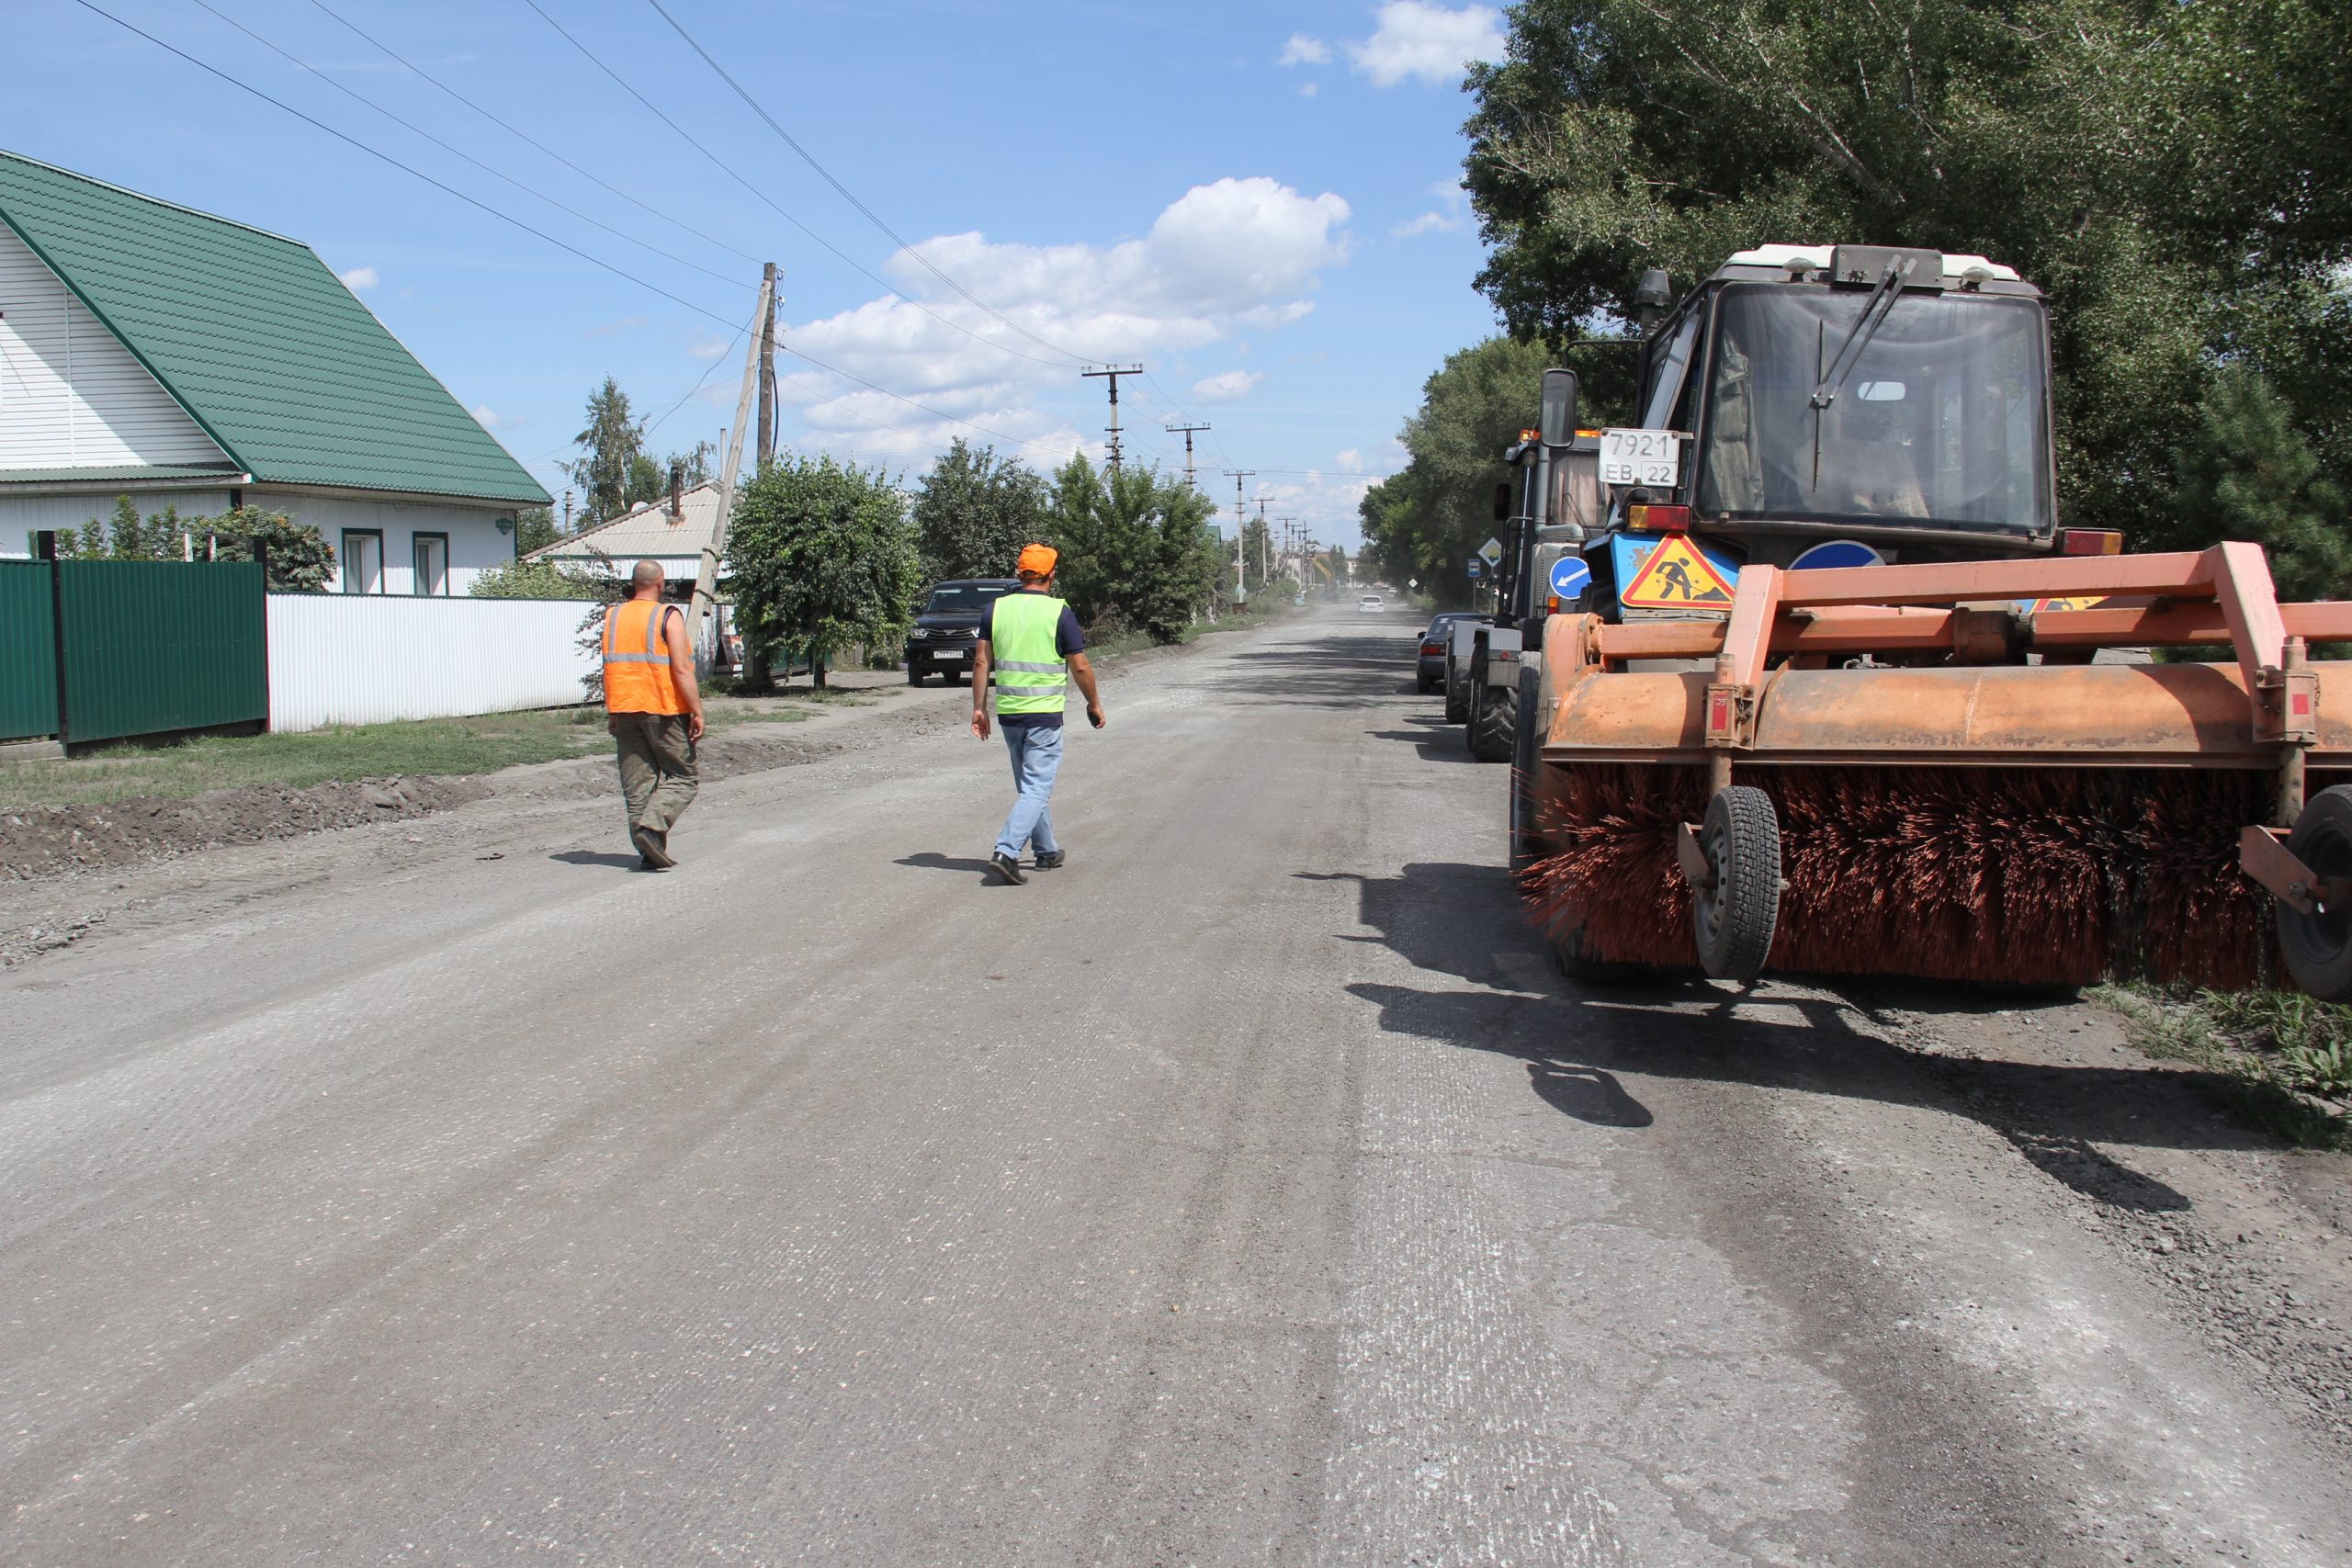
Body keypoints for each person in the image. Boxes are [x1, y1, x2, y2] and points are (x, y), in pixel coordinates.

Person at [969, 543, 1106, 885]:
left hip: (1010, 714)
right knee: (1036, 789)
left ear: (1021, 574)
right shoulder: (1060, 613)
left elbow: (982, 662)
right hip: (1043, 715)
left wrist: (978, 708)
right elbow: (1080, 666)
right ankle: (1006, 851)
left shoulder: (995, 609)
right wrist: (1093, 702)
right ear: (1051, 575)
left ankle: (1046, 851)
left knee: (1030, 787)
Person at [602, 559, 705, 870]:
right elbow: (682, 668)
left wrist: (612, 711)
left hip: (624, 708)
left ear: (634, 583)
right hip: (663, 709)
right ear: (660, 582)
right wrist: (697, 711)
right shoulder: (667, 616)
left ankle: (649, 851)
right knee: (685, 777)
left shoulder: (613, 616)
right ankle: (652, 828)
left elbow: (609, 665)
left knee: (638, 785)